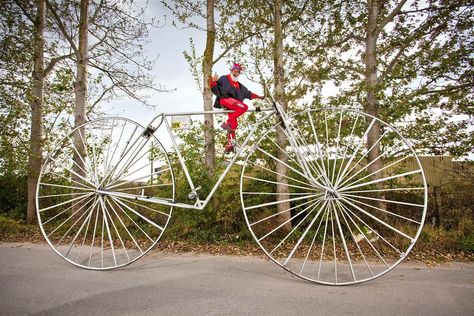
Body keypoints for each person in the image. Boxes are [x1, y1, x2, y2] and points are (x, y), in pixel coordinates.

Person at [210, 63, 263, 153]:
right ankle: (227, 122)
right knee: (244, 107)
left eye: (237, 71)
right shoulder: (224, 78)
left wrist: (259, 96)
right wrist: (213, 82)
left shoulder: (238, 85)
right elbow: (215, 87)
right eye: (234, 70)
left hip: (233, 105)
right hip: (226, 100)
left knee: (234, 125)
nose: (236, 72)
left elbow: (248, 94)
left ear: (239, 73)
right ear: (231, 70)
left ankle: (230, 144)